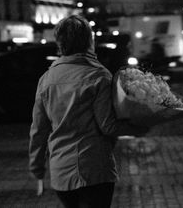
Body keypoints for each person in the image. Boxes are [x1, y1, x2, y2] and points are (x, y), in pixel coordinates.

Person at [29, 15, 147, 208]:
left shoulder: (46, 79)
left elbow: (38, 129)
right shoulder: (98, 75)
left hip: (61, 175)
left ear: (60, 43)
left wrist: (37, 167)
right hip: (94, 171)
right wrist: (138, 127)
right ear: (89, 41)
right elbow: (108, 126)